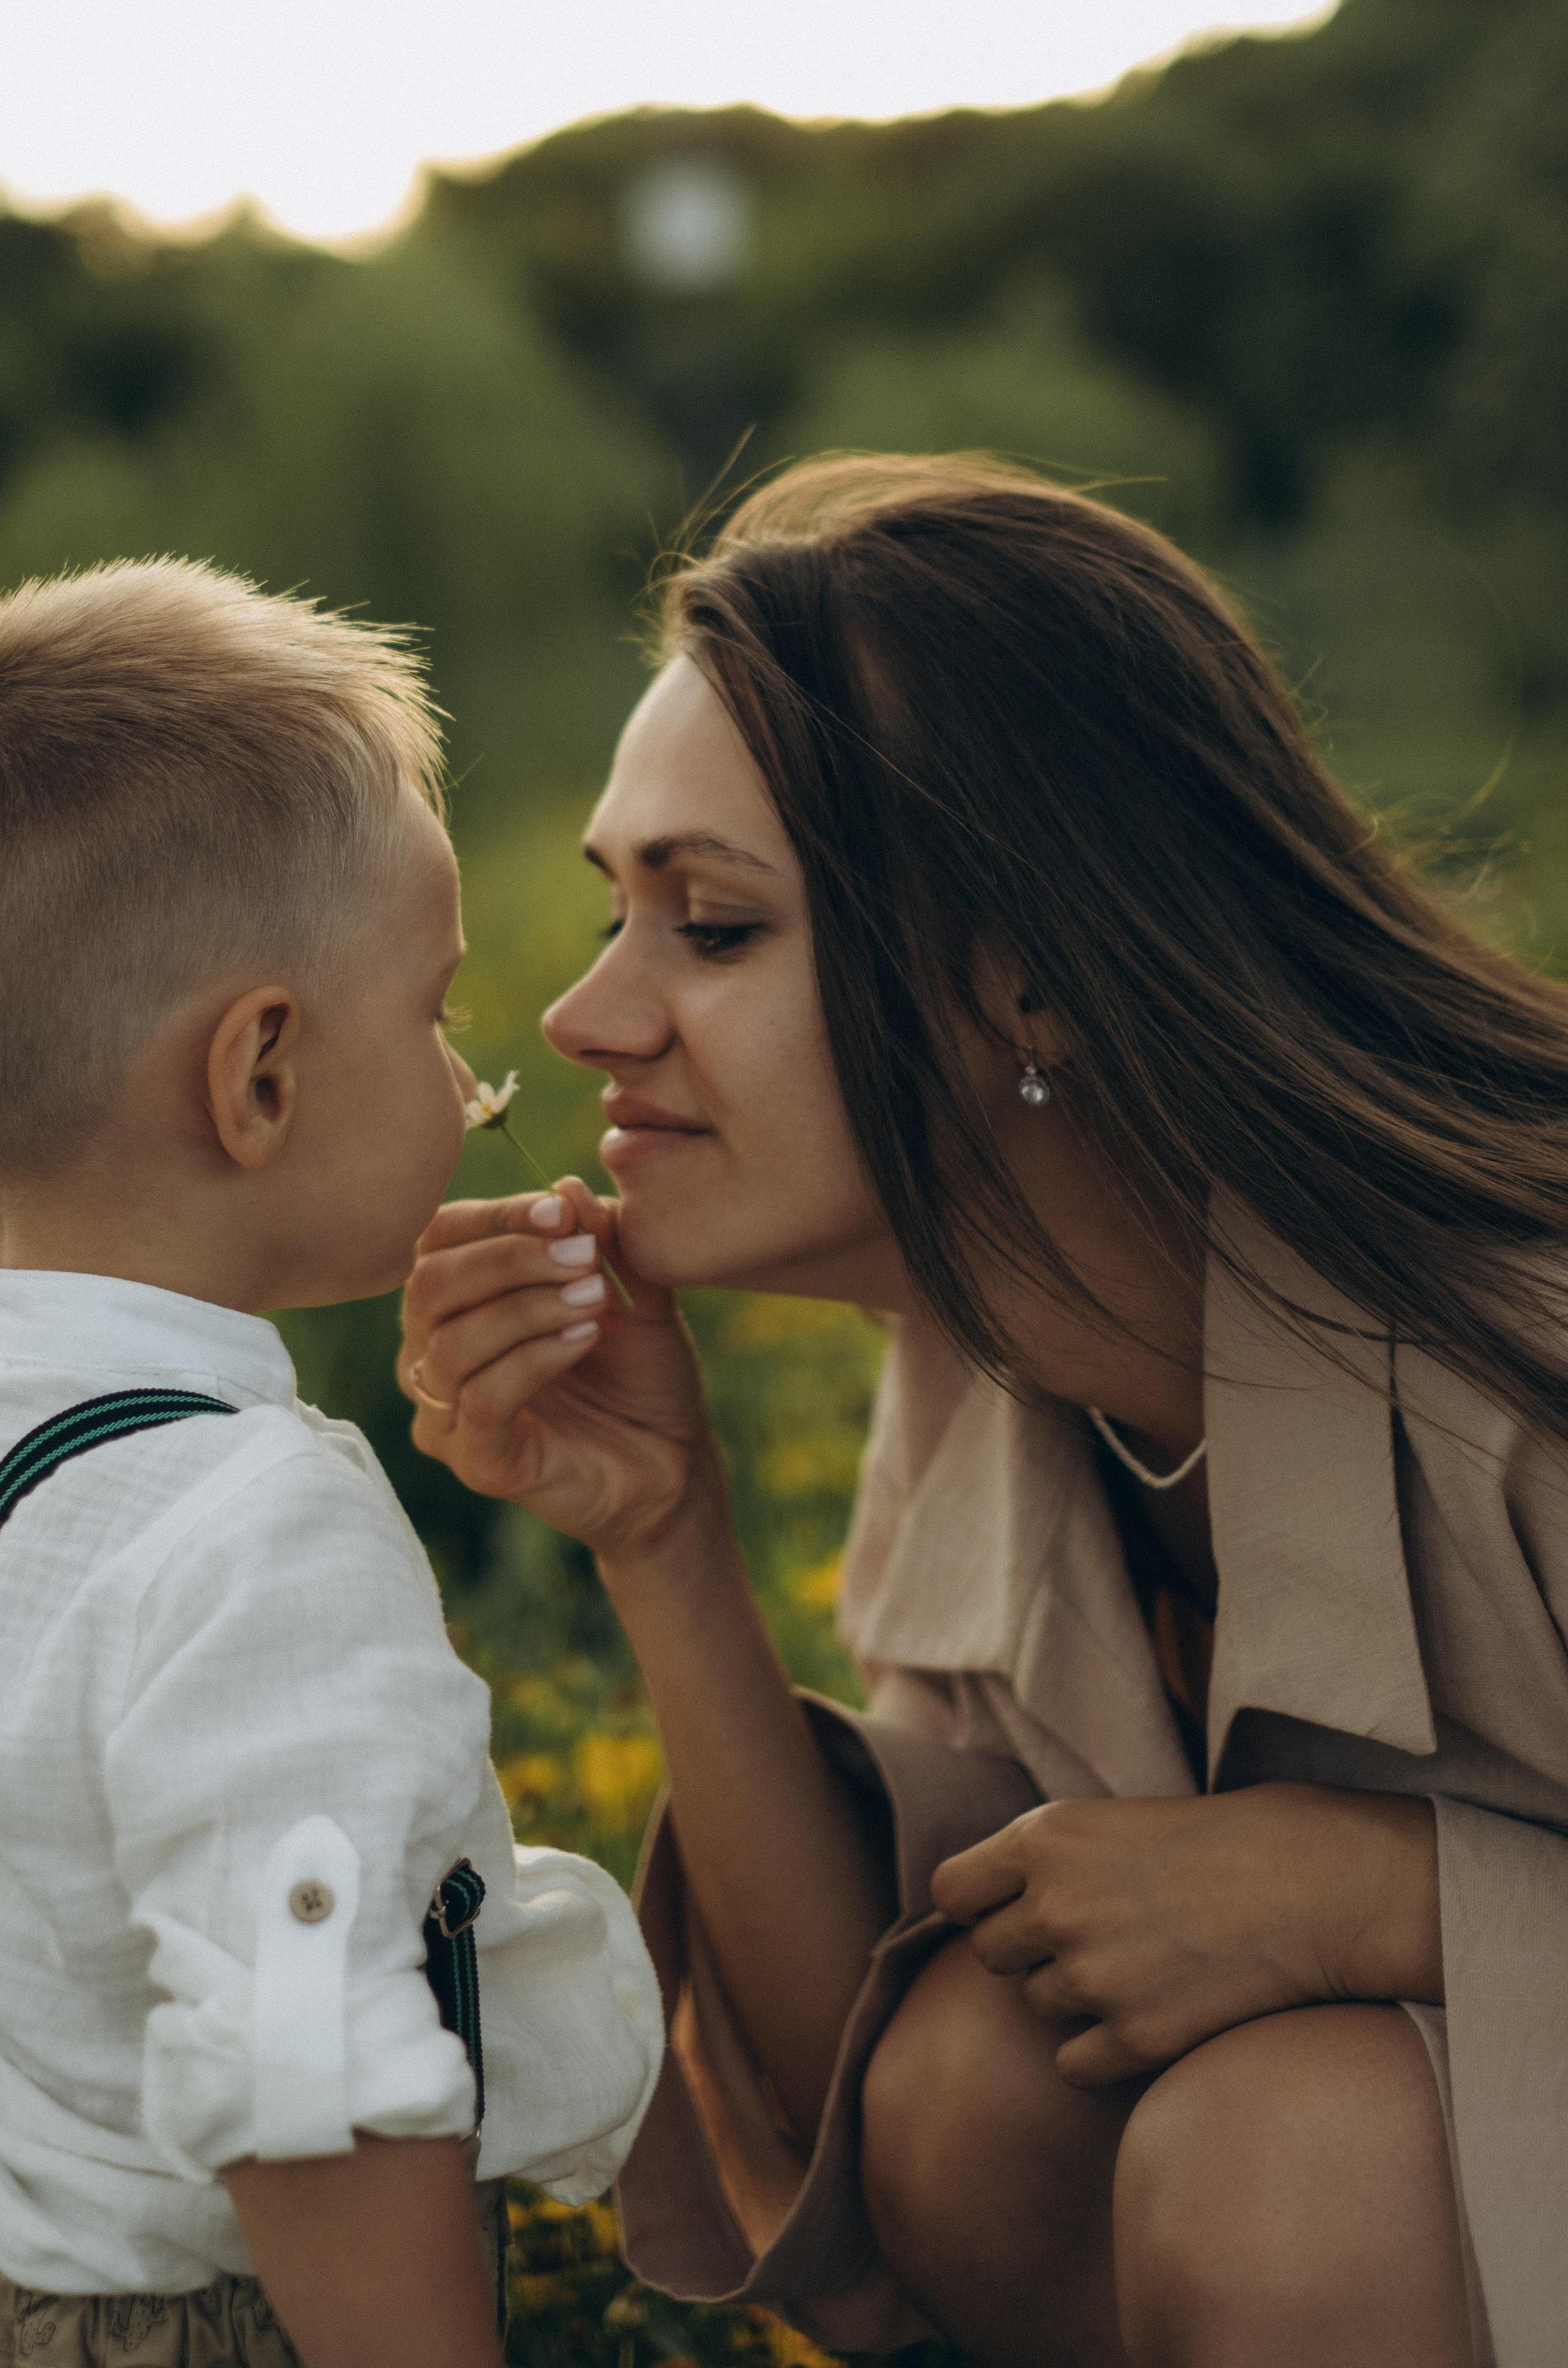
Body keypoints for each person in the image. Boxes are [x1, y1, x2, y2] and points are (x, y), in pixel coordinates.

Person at [400, 454, 1568, 2368]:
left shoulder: (1514, 1340)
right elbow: (855, 2084)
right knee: (970, 2075)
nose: (586, 1020)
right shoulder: (991, 1351)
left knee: (1278, 2161)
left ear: (1027, 977)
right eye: (617, 912)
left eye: (709, 929)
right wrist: (664, 1533)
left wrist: (1385, 1898)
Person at [0, 562, 661, 2368]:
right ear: (258, 1076)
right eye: (434, 1016)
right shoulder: (263, 1523)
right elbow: (310, 2085)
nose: (472, 1082)